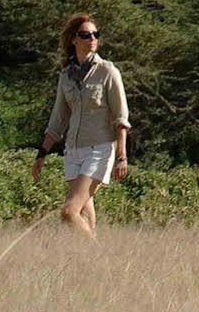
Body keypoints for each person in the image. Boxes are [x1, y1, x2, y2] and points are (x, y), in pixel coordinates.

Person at [31, 14, 130, 237]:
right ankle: (92, 263)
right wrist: (42, 154)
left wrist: (121, 157)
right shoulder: (66, 76)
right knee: (85, 214)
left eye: (96, 34)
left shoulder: (108, 72)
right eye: (86, 35)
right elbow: (58, 120)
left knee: (69, 211)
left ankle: (101, 257)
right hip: (73, 151)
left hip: (99, 149)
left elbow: (121, 118)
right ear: (74, 39)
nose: (92, 38)